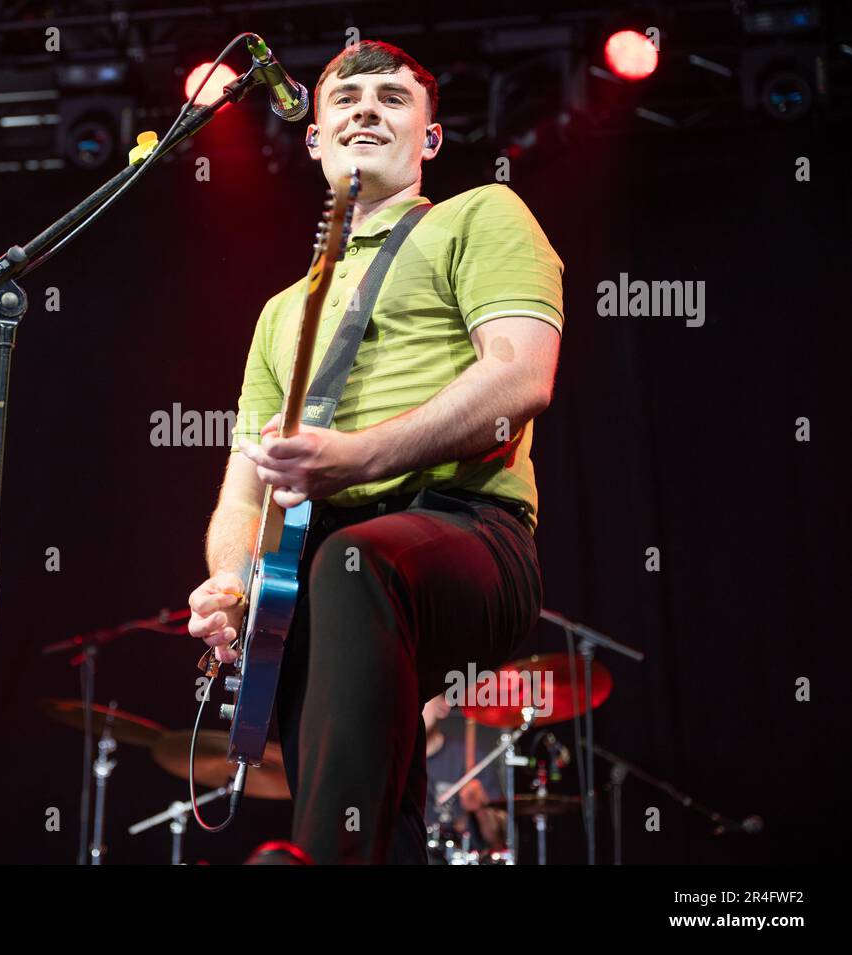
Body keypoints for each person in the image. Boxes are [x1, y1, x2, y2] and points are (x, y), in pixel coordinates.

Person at [187, 39, 563, 863]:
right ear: (314, 139)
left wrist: (356, 458)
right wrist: (232, 576)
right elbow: (243, 490)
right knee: (377, 803)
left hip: (466, 531)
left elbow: (520, 378)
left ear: (430, 140)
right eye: (346, 99)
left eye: (393, 99)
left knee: (354, 562)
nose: (366, 108)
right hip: (315, 575)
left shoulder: (482, 215)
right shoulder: (281, 311)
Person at [421, 694, 507, 857]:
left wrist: (481, 809)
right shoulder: (392, 761)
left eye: (423, 699)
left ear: (443, 707)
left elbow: (497, 841)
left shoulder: (472, 759)